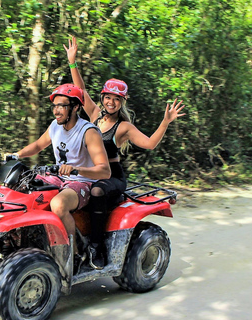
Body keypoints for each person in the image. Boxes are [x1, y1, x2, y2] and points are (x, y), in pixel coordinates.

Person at [64, 36, 186, 269]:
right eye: (108, 97)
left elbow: (149, 143)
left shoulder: (123, 127)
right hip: (89, 172)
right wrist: (72, 62)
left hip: (111, 177)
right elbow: (80, 90)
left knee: (98, 191)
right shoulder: (94, 115)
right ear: (103, 98)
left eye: (116, 99)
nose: (111, 102)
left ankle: (97, 247)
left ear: (122, 102)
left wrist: (166, 121)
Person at [7, 83, 111, 263]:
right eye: (54, 106)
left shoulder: (88, 132)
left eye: (62, 106)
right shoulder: (55, 126)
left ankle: (75, 255)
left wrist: (76, 169)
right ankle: (15, 243)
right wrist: (17, 155)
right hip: (57, 177)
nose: (56, 111)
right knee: (18, 189)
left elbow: (105, 170)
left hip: (82, 181)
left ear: (76, 107)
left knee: (59, 205)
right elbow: (39, 145)